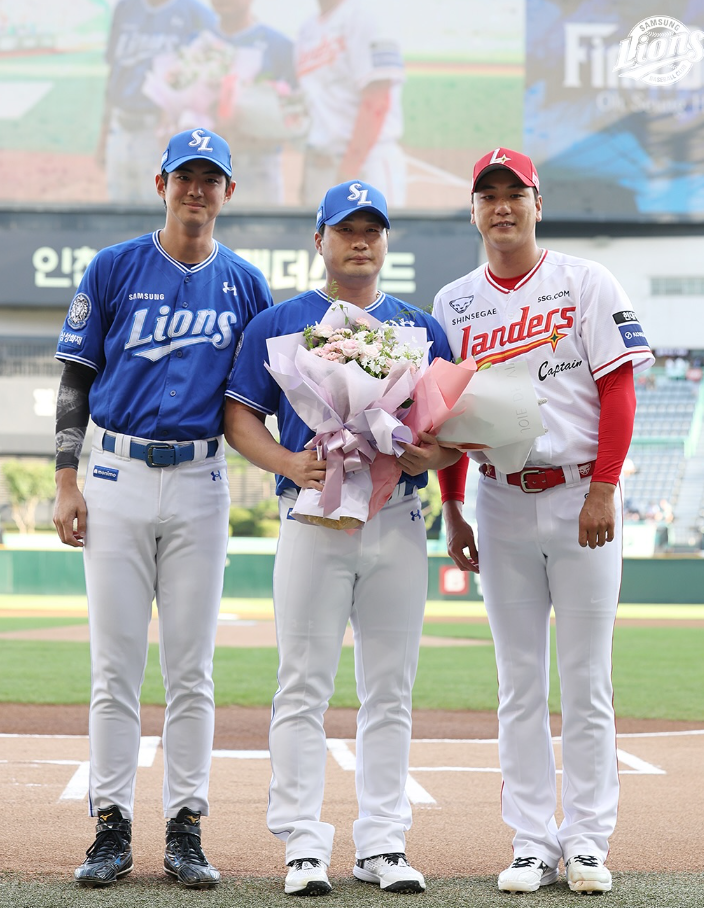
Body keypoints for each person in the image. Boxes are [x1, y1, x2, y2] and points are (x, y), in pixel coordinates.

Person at [225, 180, 460, 895]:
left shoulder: (421, 327)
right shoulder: (279, 322)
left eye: (372, 230)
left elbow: (453, 433)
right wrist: (288, 462)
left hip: (398, 516)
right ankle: (302, 844)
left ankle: (383, 843)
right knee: (302, 683)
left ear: (386, 241)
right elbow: (239, 417)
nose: (361, 241)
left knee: (390, 688)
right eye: (346, 229)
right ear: (319, 239)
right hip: (313, 515)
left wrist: (429, 455)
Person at [53, 128, 273, 888]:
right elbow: (75, 379)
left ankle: (186, 827)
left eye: (211, 178)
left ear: (228, 192)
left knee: (191, 668)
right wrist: (65, 479)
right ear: (162, 183)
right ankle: (111, 827)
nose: (196, 189)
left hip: (201, 479)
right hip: (114, 474)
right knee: (114, 667)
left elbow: (262, 396)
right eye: (186, 176)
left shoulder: (246, 284)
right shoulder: (114, 266)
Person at [433, 148, 654, 894]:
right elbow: (447, 415)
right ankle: (531, 840)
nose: (502, 205)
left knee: (587, 678)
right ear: (473, 210)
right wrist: (452, 506)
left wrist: (605, 487)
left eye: (514, 192)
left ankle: (586, 839)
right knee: (519, 680)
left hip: (578, 491)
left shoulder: (586, 282)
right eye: (487, 194)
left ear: (537, 203)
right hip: (497, 497)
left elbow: (618, 391)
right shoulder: (454, 303)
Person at [99, 0, 217, 203]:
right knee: (119, 209)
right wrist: (103, 136)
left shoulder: (196, 12)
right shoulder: (126, 7)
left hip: (164, 133)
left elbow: (214, 78)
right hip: (120, 129)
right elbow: (114, 77)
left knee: (160, 211)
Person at [296, 0, 406, 207]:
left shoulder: (366, 16)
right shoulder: (307, 29)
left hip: (367, 162)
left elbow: (377, 99)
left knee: (374, 228)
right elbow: (314, 106)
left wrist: (349, 170)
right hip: (322, 164)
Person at [211, 0, 298, 206]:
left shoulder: (279, 46)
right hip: (207, 164)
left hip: (260, 164)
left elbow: (295, 115)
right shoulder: (199, 40)